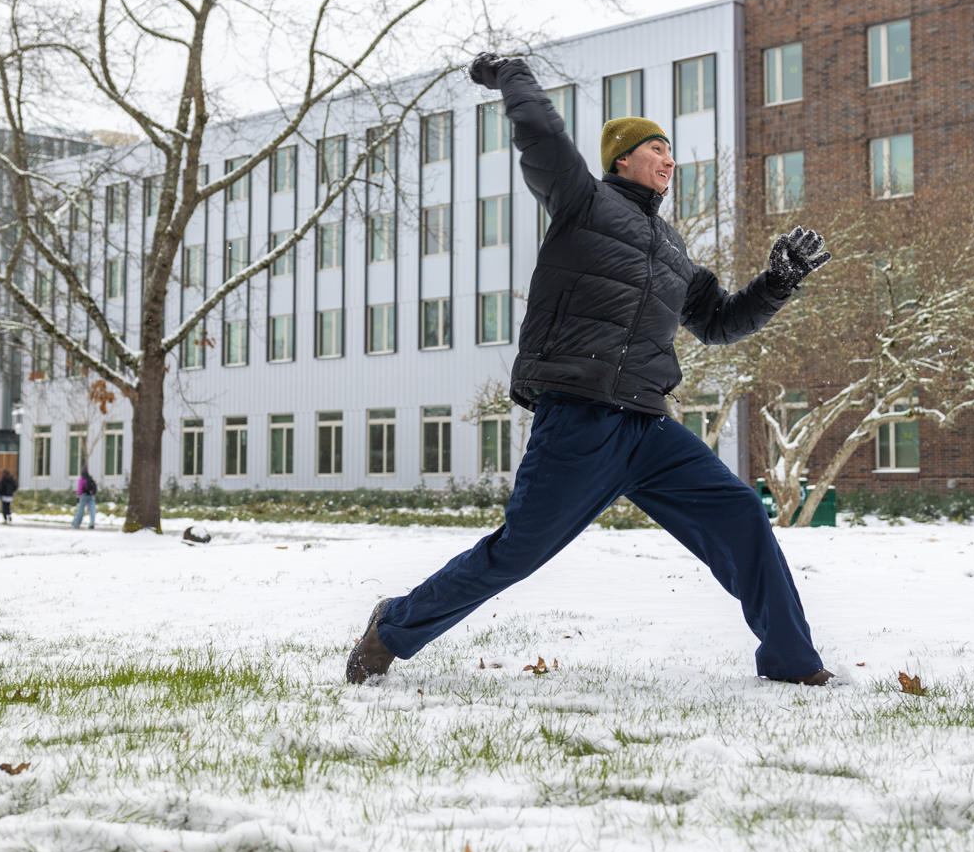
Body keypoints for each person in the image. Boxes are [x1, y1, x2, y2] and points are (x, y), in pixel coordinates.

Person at [347, 53, 836, 688]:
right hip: (579, 418)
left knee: (741, 511)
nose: (669, 161)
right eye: (656, 149)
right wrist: (513, 76)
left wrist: (776, 285)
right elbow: (543, 136)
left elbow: (717, 323)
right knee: (518, 552)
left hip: (647, 427)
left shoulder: (673, 248)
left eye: (671, 153)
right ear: (622, 160)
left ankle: (793, 663)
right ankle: (390, 629)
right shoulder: (582, 203)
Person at [72, 464, 97, 529]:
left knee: (80, 510)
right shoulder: (90, 478)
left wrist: (78, 495)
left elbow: (80, 488)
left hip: (84, 496)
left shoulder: (82, 478)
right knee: (92, 510)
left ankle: (76, 523)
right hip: (91, 496)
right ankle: (92, 523)